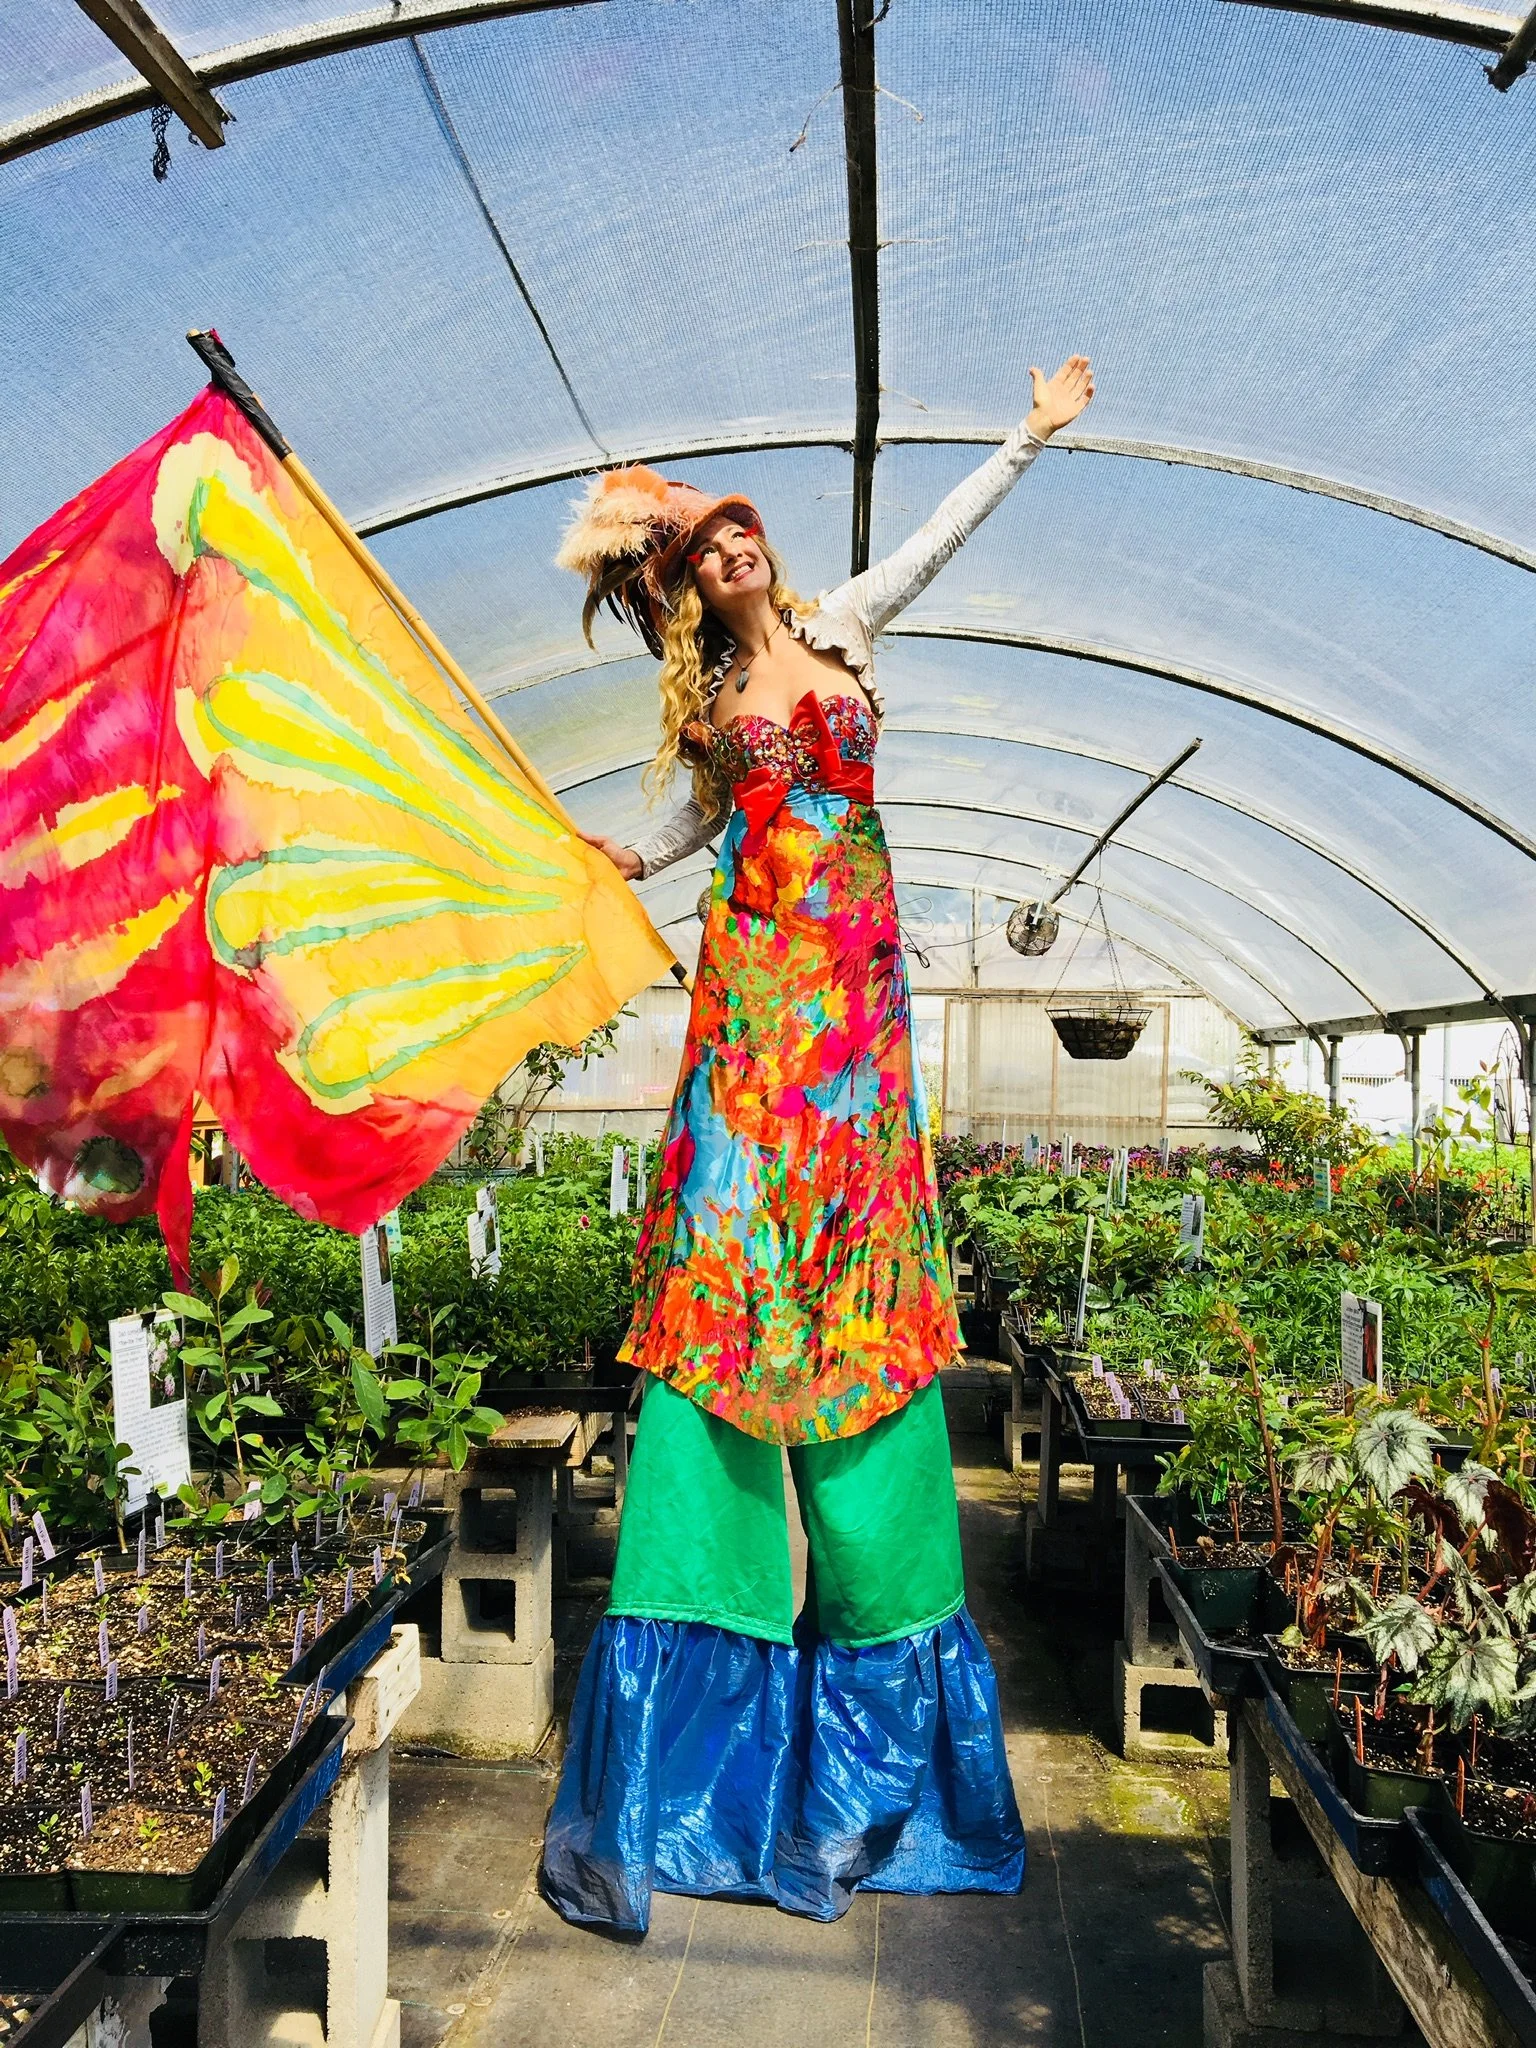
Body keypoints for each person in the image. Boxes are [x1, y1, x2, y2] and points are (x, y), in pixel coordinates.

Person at [542, 356, 1095, 1935]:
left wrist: (1026, 436)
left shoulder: (850, 624)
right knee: (721, 1327)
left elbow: (942, 538)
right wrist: (609, 853)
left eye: (739, 532)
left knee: (865, 1334)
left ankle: (870, 1778)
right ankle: (682, 1766)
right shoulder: (716, 716)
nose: (734, 549)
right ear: (687, 593)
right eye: (702, 549)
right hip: (749, 1019)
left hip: (854, 1032)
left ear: (766, 550)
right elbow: (680, 842)